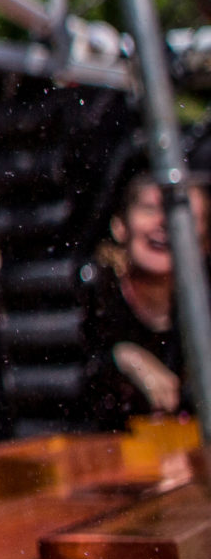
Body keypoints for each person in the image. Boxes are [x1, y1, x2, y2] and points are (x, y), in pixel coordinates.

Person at [81, 154, 201, 429]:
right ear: (120, 225)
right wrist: (122, 359)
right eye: (149, 208)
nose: (163, 223)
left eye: (179, 213)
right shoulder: (93, 294)